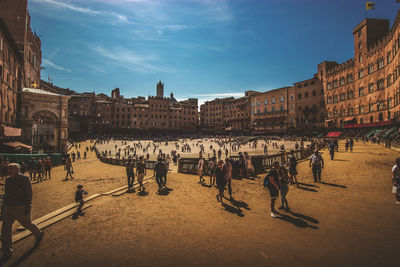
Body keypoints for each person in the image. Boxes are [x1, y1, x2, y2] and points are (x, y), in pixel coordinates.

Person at [1, 163, 43, 259]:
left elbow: (29, 193)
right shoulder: (8, 180)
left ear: (17, 170)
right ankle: (7, 251)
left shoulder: (24, 179)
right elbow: (6, 195)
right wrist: (3, 207)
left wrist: (28, 205)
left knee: (27, 224)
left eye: (10, 169)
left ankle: (38, 233)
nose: (8, 170)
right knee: (5, 230)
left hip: (21, 206)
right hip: (8, 207)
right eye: (8, 169)